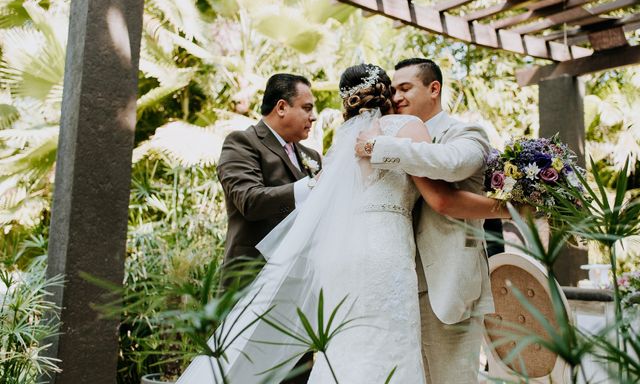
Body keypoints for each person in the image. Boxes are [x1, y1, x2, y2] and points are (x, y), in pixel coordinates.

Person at [177, 64, 510, 384]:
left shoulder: (340, 142)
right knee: (387, 346)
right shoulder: (408, 129)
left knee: (347, 348)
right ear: (386, 94)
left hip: (339, 257)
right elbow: (439, 199)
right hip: (385, 251)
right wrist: (513, 210)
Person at [356, 57, 501, 383]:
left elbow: (451, 165)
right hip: (395, 286)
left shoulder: (466, 132)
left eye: (405, 88)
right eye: (393, 90)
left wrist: (380, 146)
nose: (396, 98)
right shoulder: (386, 135)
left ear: (434, 88)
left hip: (448, 287)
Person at [216, 73, 321, 384]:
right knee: (245, 373)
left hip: (297, 289)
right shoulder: (242, 142)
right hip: (253, 282)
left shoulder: (312, 157)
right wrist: (311, 187)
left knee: (296, 374)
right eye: (307, 107)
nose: (312, 116)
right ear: (281, 107)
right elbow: (247, 200)